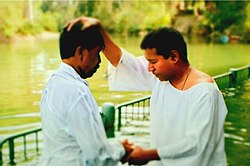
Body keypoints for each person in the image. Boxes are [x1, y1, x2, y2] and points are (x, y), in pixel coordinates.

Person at [68, 17, 228, 166]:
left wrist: (149, 154)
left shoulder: (204, 92)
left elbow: (197, 144)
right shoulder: (161, 77)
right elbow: (124, 62)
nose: (149, 68)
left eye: (153, 62)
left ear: (173, 57)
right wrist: (99, 31)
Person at [39, 20, 133, 166]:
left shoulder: (53, 83)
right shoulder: (77, 91)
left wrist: (115, 146)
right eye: (97, 53)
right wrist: (122, 149)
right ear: (81, 52)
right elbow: (98, 157)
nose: (100, 61)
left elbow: (74, 142)